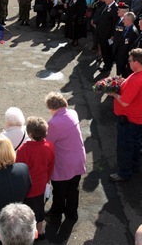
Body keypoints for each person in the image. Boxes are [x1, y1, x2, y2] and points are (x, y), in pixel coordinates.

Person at [109, 48, 142, 182]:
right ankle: (135, 165)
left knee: (124, 147)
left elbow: (124, 102)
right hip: (141, 117)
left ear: (137, 62)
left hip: (130, 120)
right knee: (135, 144)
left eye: (130, 61)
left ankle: (124, 173)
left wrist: (113, 93)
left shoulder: (137, 79)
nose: (128, 63)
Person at [45, 92, 87, 223]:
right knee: (73, 189)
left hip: (64, 164)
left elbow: (47, 143)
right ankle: (72, 213)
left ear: (52, 107)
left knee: (59, 190)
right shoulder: (73, 114)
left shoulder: (53, 123)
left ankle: (56, 212)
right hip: (78, 159)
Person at [15, 117, 55, 236]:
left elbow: (19, 169)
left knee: (26, 211)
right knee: (39, 207)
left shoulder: (23, 150)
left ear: (30, 134)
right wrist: (47, 179)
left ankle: (29, 233)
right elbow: (51, 165)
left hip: (27, 186)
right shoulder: (49, 146)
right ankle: (40, 230)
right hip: (41, 184)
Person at [113, 11, 139, 77]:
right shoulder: (126, 28)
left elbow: (131, 48)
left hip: (125, 59)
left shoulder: (133, 32)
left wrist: (128, 62)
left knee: (123, 75)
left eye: (124, 19)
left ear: (129, 20)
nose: (123, 21)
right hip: (120, 56)